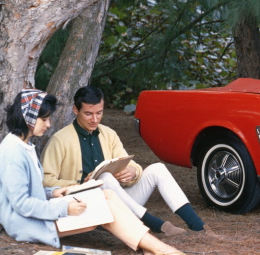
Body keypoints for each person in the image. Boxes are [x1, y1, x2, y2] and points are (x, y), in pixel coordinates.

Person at [0, 89, 194, 255]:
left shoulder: (24, 146)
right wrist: (64, 206)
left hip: (44, 212)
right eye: (44, 119)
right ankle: (158, 248)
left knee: (107, 197)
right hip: (29, 223)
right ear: (28, 119)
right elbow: (22, 204)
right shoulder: (12, 153)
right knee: (104, 202)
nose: (49, 124)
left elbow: (33, 191)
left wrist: (54, 192)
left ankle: (152, 248)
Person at [42, 86, 209, 237]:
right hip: (85, 206)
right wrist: (79, 184)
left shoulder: (109, 134)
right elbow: (46, 181)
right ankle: (154, 223)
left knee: (157, 168)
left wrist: (133, 172)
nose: (94, 119)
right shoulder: (60, 140)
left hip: (120, 203)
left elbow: (129, 163)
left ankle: (198, 226)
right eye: (88, 113)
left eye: (99, 113)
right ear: (75, 110)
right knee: (105, 179)